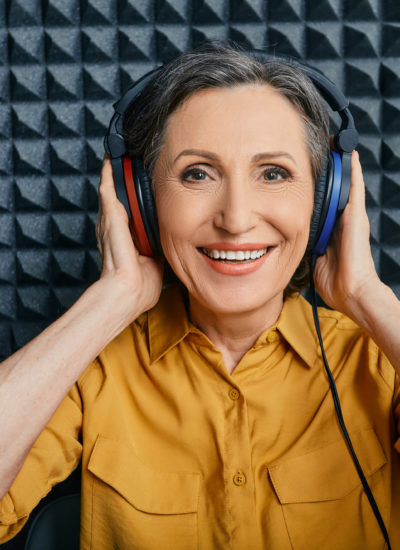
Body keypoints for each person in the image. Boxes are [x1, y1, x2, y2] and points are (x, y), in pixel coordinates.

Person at [1, 41, 400, 550]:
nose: (235, 219)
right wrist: (113, 297)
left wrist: (367, 296)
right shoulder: (92, 367)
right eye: (197, 174)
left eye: (273, 173)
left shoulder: (377, 359)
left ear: (327, 204)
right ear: (140, 202)